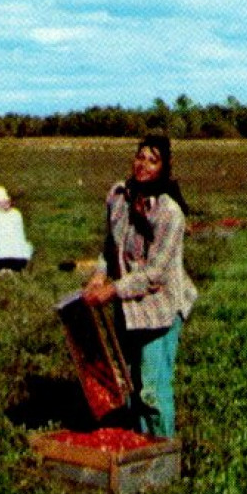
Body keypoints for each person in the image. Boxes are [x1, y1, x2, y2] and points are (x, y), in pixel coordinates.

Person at [82, 134, 198, 438]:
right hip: (129, 307)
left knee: (153, 390)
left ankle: (162, 453)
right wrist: (99, 274)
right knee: (132, 384)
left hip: (160, 308)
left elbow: (155, 274)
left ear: (163, 167)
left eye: (153, 160)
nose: (143, 164)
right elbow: (111, 245)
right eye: (140, 156)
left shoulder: (170, 212)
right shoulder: (120, 196)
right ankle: (138, 448)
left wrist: (111, 290)